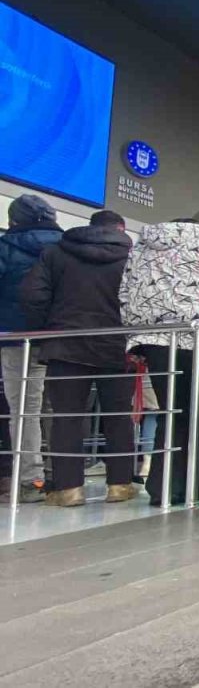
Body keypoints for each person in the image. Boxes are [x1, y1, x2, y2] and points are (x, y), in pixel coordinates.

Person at [120, 207, 199, 506]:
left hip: (157, 342)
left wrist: (136, 338)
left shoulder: (144, 246)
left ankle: (163, 485)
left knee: (172, 413)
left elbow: (127, 294)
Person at [21, 210, 134, 506]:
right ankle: (120, 485)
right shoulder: (131, 257)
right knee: (118, 417)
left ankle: (69, 489)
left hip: (65, 345)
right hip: (115, 346)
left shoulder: (56, 253)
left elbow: (33, 295)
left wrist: (51, 327)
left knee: (66, 418)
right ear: (119, 228)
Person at [0, 195, 63, 502]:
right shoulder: (65, 247)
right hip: (60, 340)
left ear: (14, 220)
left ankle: (30, 480)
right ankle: (59, 476)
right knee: (56, 408)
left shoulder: (5, 247)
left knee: (24, 410)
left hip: (16, 340)